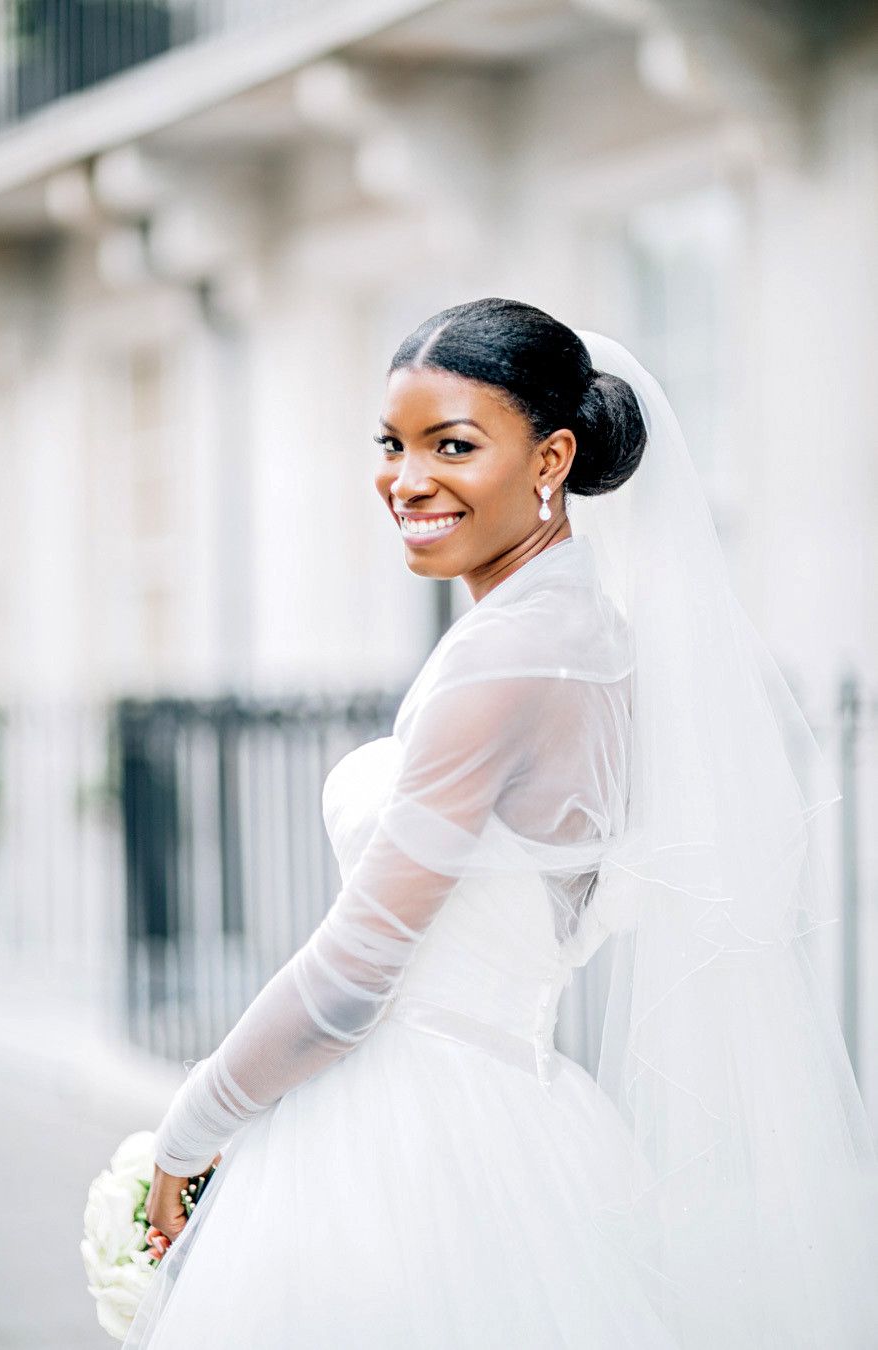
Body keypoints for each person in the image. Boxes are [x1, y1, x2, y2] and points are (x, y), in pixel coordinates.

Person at [126, 298, 878, 1348]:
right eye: (392, 444)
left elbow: (354, 973)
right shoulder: (590, 635)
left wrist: (192, 1124)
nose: (406, 480)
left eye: (453, 446)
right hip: (522, 1110)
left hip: (412, 1141)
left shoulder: (507, 657)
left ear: (551, 459)